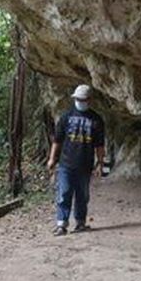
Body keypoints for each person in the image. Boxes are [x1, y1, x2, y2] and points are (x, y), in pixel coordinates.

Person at [47, 84, 105, 236]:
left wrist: (100, 163)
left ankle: (80, 223)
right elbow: (57, 140)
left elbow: (100, 145)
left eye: (83, 99)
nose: (80, 101)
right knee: (64, 192)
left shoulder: (96, 120)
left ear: (89, 100)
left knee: (82, 195)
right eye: (78, 99)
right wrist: (52, 159)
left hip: (85, 165)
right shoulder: (66, 117)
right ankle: (61, 224)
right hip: (66, 163)